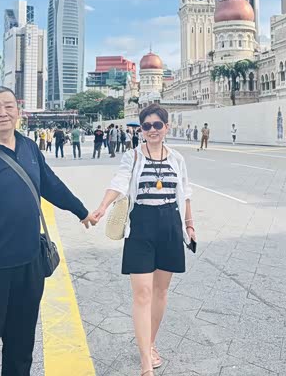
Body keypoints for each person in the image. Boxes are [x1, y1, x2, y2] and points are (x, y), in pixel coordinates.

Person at [0, 86, 94, 376]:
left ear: (18, 111)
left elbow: (50, 184)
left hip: (29, 266)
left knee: (22, 346)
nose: (3, 113)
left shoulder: (29, 147)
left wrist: (81, 210)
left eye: (9, 106)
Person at [89, 103, 195, 376]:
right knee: (142, 293)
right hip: (141, 226)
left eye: (157, 125)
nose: (152, 130)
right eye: (146, 126)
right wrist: (103, 206)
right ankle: (146, 363)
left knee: (160, 292)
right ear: (141, 130)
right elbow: (119, 182)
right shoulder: (133, 156)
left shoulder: (177, 158)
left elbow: (185, 193)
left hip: (170, 225)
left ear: (166, 127)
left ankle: (150, 343)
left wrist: (189, 225)